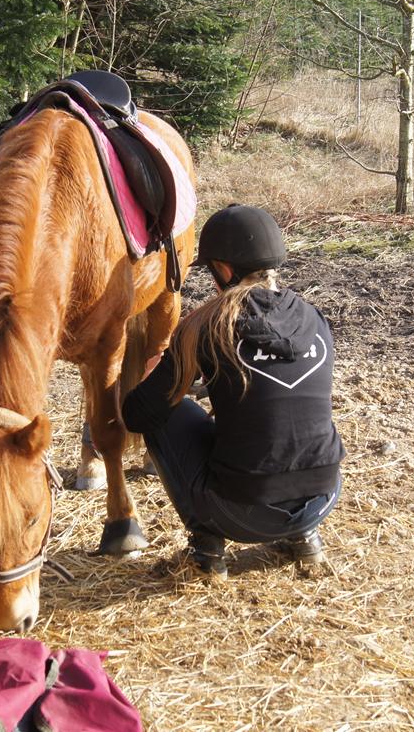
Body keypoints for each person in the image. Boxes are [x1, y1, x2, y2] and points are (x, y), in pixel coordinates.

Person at [121, 204, 345, 578]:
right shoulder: (314, 317)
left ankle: (206, 549)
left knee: (168, 412)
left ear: (223, 269)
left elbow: (138, 414)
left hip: (240, 514)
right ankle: (304, 535)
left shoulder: (208, 324)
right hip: (324, 496)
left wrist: (157, 375)